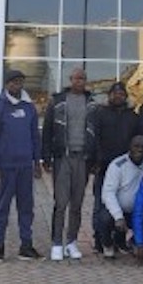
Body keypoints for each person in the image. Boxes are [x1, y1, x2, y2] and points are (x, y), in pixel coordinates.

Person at [0, 69, 44, 262]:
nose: (17, 85)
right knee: (2, 208)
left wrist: (37, 162)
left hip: (25, 167)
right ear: (7, 84)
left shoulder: (29, 108)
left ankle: (26, 247)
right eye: (14, 82)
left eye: (20, 82)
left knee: (26, 208)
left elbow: (35, 137)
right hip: (5, 168)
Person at [42, 67, 96, 261]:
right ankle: (57, 242)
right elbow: (47, 129)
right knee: (61, 202)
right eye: (76, 78)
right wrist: (45, 157)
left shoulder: (91, 103)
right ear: (70, 79)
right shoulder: (57, 101)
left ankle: (71, 242)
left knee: (77, 203)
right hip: (62, 158)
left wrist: (94, 159)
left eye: (83, 78)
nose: (79, 81)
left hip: (82, 159)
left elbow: (96, 133)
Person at [88, 81, 139, 254]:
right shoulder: (100, 113)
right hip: (103, 165)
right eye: (115, 93)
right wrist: (95, 160)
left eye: (121, 93)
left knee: (122, 202)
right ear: (109, 95)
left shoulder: (132, 116)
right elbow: (94, 138)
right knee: (100, 204)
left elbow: (136, 139)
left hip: (125, 167)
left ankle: (119, 240)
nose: (118, 96)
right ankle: (99, 240)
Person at [98, 134, 143, 258]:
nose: (139, 149)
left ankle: (135, 242)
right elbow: (108, 193)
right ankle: (108, 245)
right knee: (104, 218)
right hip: (119, 211)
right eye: (136, 146)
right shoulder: (117, 165)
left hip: (138, 213)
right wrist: (118, 216)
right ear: (130, 147)